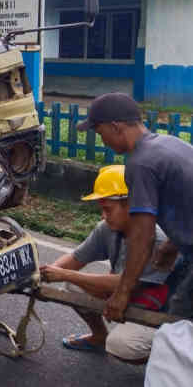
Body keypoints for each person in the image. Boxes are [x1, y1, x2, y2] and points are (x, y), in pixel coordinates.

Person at [76, 92, 193, 322]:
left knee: (179, 325)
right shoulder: (169, 144)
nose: (103, 142)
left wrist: (121, 294)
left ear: (116, 127)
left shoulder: (140, 163)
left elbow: (143, 236)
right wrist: (171, 246)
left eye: (100, 133)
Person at [40, 165, 171, 362]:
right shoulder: (108, 228)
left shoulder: (158, 238)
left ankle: (168, 361)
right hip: (127, 296)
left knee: (122, 346)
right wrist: (43, 274)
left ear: (131, 204)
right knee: (72, 287)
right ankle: (99, 336)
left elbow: (127, 283)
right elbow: (75, 259)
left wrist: (64, 274)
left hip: (161, 310)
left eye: (107, 209)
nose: (103, 215)